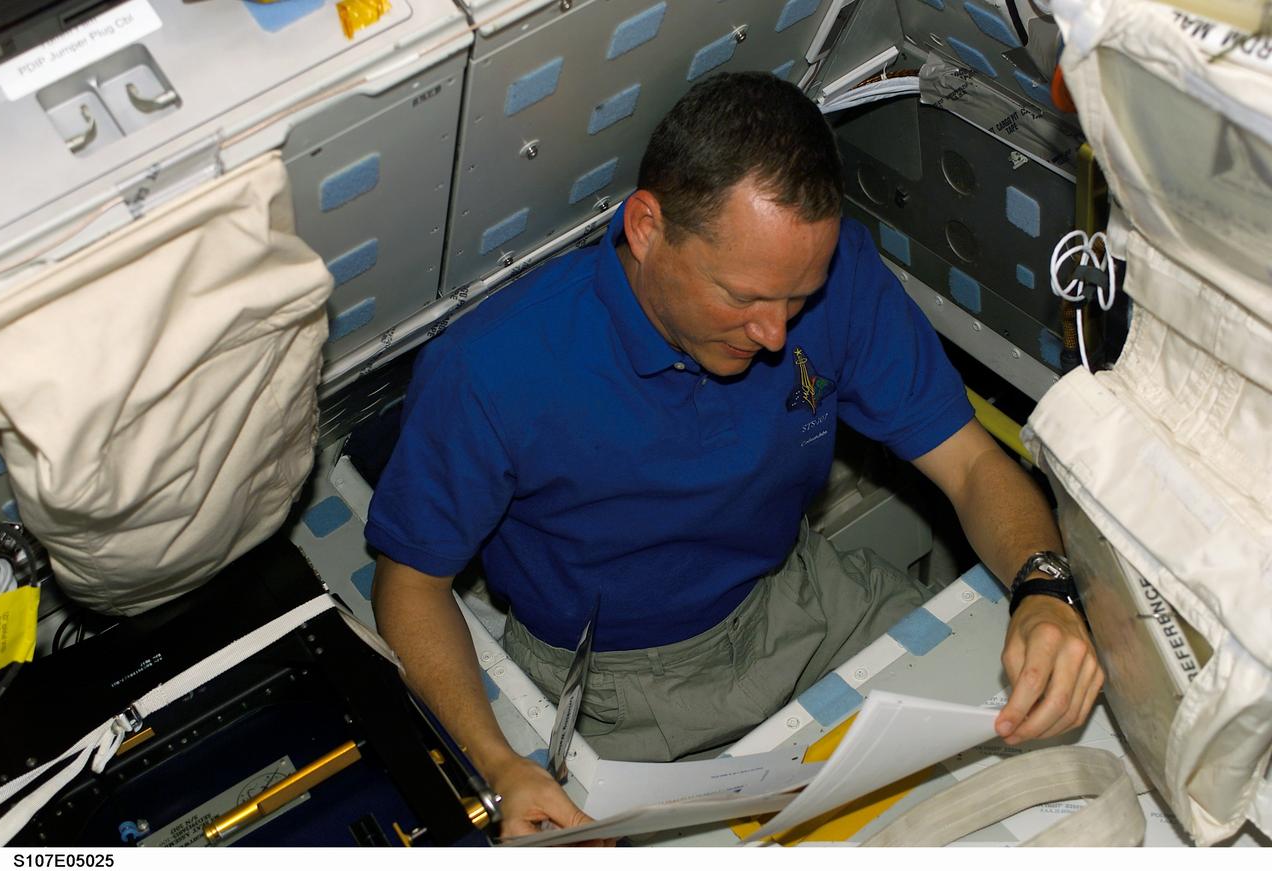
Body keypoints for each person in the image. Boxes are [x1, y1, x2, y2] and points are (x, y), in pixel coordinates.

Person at [365, 72, 1102, 839]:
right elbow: (410, 586)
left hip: (799, 599)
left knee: (1030, 782)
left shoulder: (835, 274)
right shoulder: (491, 369)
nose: (777, 335)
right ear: (647, 228)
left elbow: (975, 465)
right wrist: (498, 762)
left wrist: (1045, 589)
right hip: (608, 693)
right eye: (745, 298)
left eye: (798, 299)